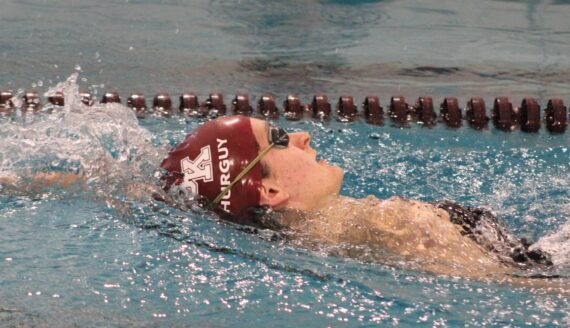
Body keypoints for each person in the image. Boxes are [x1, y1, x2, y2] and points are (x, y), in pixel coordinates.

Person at [160, 115, 560, 281]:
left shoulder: (310, 247)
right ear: (270, 191)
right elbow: (519, 287)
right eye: (279, 138)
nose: (302, 136)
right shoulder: (394, 227)